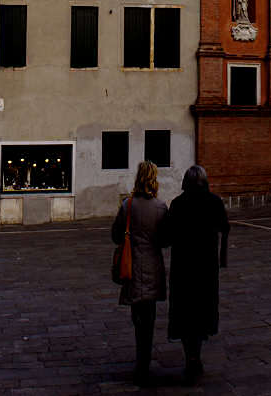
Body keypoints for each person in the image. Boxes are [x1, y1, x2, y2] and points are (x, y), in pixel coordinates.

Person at [163, 166, 230, 384]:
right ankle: (196, 355)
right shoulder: (214, 202)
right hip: (205, 267)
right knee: (202, 309)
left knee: (184, 312)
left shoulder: (178, 204)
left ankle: (189, 356)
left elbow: (168, 237)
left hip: (183, 267)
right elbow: (224, 226)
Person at [110, 161, 171, 385]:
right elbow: (165, 241)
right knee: (150, 317)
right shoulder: (161, 207)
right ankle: (144, 361)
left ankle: (141, 362)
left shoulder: (128, 205)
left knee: (138, 318)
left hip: (132, 267)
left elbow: (116, 236)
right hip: (153, 267)